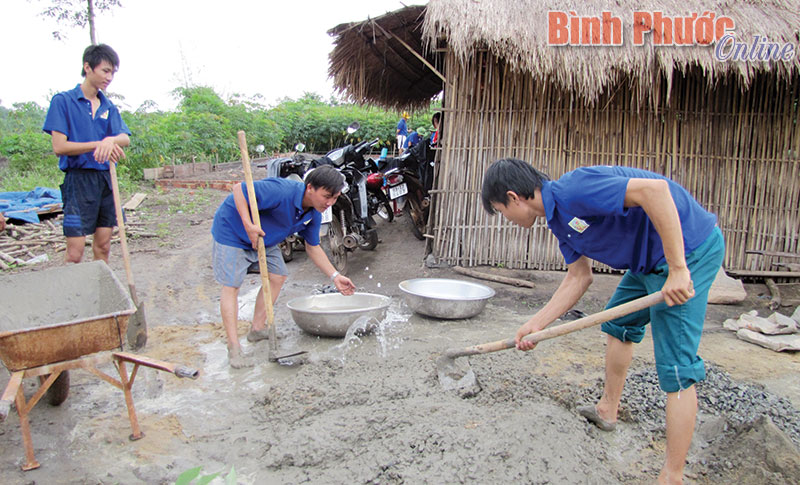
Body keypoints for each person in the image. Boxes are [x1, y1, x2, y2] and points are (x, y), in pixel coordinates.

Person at [481, 159, 724, 485]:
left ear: (514, 197)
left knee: (677, 368)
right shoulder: (558, 219)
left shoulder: (574, 190)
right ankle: (608, 410)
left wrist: (679, 269)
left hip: (689, 251)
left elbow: (656, 191)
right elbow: (579, 277)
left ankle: (672, 475)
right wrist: (536, 324)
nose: (506, 219)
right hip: (647, 262)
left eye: (500, 210)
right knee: (618, 325)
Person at [211, 165, 357, 368]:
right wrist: (248, 225)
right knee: (232, 285)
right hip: (233, 231)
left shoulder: (313, 213)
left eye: (335, 198)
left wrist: (335, 276)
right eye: (326, 196)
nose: (330, 203)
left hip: (265, 237)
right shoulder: (281, 191)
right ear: (310, 188)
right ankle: (234, 347)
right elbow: (238, 189)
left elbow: (313, 247)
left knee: (278, 276)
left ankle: (256, 329)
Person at [42, 44, 131, 264]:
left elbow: (125, 138)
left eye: (112, 73)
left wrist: (110, 140)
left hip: (105, 180)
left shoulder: (108, 107)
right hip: (79, 181)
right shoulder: (63, 101)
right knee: (75, 252)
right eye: (105, 70)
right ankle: (70, 296)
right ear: (87, 67)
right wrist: (97, 145)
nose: (109, 77)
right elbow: (59, 146)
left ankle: (98, 295)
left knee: (103, 246)